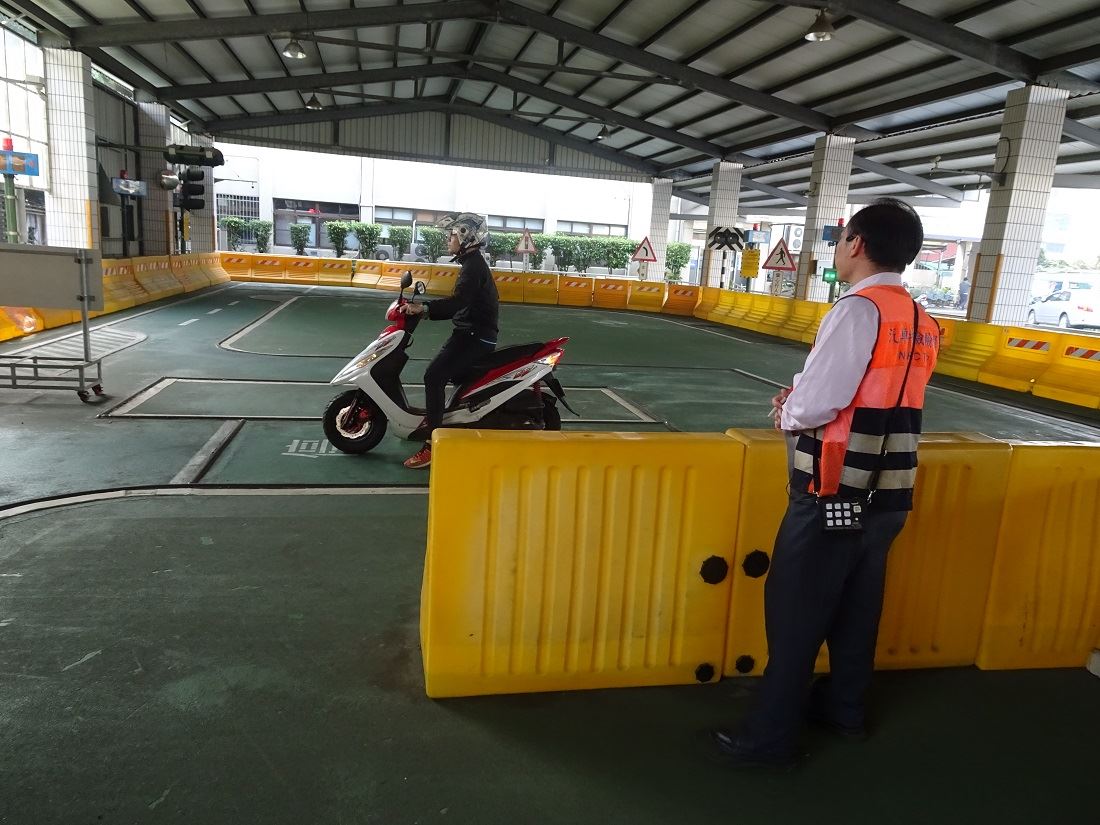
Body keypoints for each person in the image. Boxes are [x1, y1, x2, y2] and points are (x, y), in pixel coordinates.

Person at [710, 198, 941, 768]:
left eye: (841, 242)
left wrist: (790, 409)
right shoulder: (921, 319)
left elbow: (823, 399)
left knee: (795, 610)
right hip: (889, 491)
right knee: (858, 607)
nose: (838, 251)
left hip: (834, 488)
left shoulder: (858, 309)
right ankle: (843, 711)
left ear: (857, 244)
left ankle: (768, 741)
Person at [399, 212, 499, 469]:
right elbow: (460, 303)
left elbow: (458, 303)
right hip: (472, 333)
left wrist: (425, 310)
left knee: (434, 376)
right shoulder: (471, 264)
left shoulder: (473, 267)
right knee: (442, 373)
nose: (448, 239)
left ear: (467, 238)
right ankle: (442, 423)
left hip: (475, 337)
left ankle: (434, 446)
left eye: (452, 235)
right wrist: (426, 310)